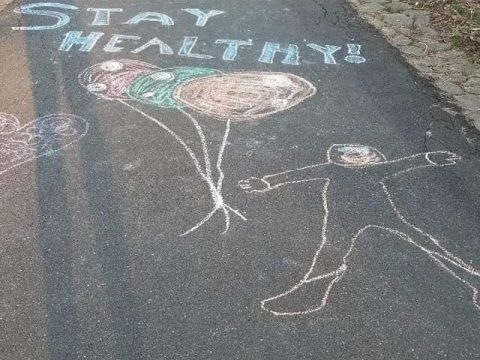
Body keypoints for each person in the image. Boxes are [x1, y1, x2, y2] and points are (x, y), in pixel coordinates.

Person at [239, 144, 480, 315]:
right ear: (338, 158)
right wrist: (268, 181)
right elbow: (301, 173)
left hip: (382, 212)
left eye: (361, 154)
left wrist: (429, 158)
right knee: (331, 252)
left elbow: (403, 163)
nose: (355, 157)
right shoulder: (331, 169)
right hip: (344, 219)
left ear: (371, 157)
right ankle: (308, 294)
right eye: (349, 154)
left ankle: (474, 281)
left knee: (422, 240)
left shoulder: (377, 169)